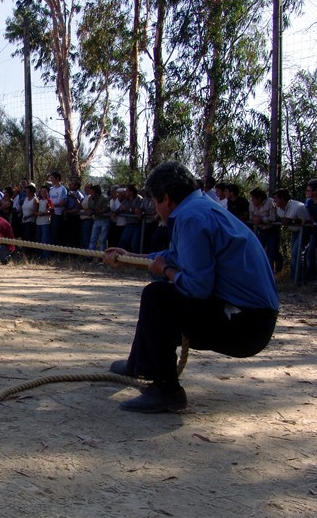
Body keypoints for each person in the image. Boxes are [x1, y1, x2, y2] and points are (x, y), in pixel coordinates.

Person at [104, 161, 278, 413]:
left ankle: (167, 391)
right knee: (162, 297)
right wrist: (130, 256)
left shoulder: (191, 217)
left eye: (155, 202)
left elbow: (196, 287)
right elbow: (174, 255)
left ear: (166, 198)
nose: (155, 210)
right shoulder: (200, 207)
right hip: (250, 318)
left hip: (246, 325)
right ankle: (139, 363)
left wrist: (164, 271)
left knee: (158, 298)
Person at [272, 188, 311, 284]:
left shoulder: (297, 207)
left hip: (304, 231)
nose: (274, 201)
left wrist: (292, 221)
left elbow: (306, 221)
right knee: (295, 254)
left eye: (276, 198)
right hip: (294, 231)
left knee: (296, 253)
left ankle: (298, 279)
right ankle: (294, 278)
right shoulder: (278, 207)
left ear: (282, 199)